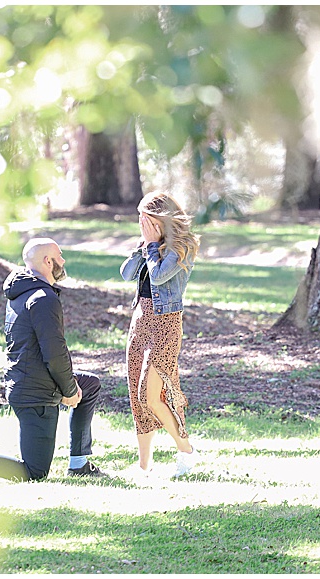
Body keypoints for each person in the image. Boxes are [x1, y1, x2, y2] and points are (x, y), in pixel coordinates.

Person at [0, 237, 107, 482]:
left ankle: (79, 463)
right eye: (59, 255)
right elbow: (54, 354)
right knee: (34, 473)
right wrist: (68, 390)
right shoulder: (43, 299)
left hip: (29, 381)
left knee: (89, 384)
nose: (63, 260)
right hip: (35, 394)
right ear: (48, 261)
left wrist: (72, 387)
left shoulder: (23, 293)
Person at [120, 192, 201, 478]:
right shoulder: (148, 246)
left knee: (152, 394)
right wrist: (142, 246)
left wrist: (152, 246)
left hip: (165, 324)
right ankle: (144, 467)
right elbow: (127, 274)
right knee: (136, 394)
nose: (141, 223)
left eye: (146, 218)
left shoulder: (181, 248)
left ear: (160, 219)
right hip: (140, 321)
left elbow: (158, 277)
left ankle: (187, 452)